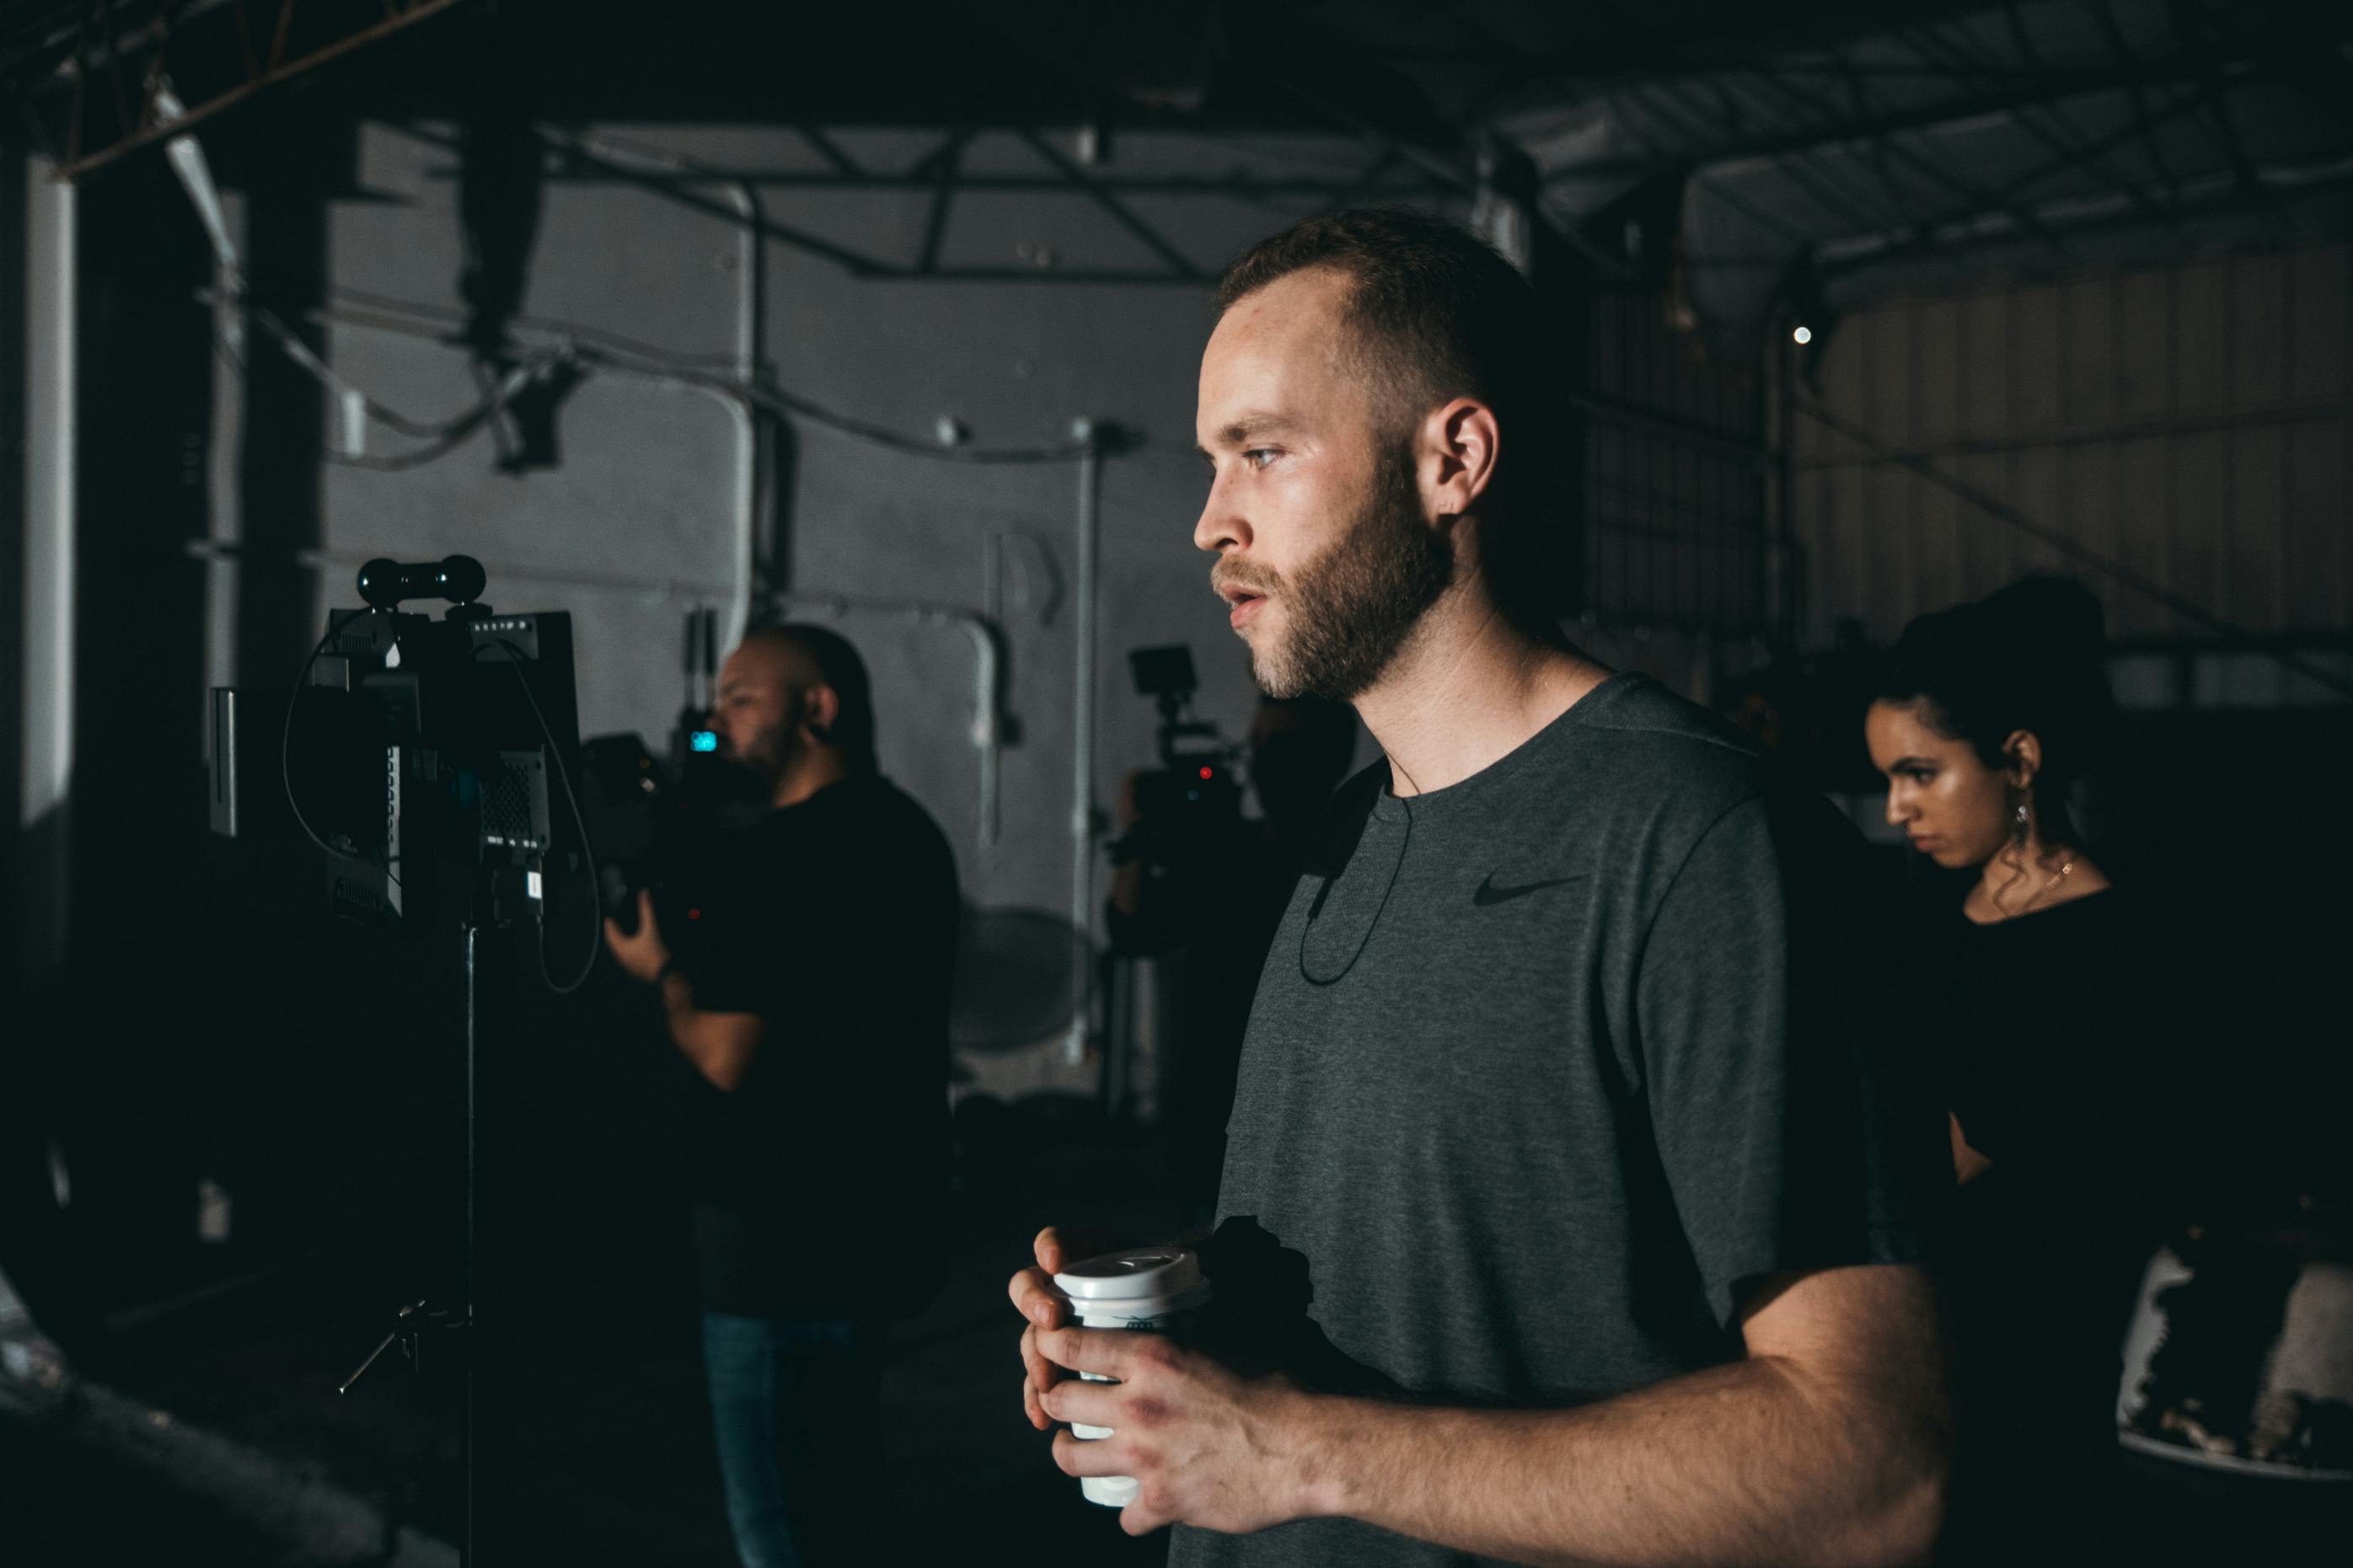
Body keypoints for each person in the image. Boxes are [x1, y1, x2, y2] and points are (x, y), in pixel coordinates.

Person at [1010, 207, 1951, 1567]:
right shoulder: (1349, 836)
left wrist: (1286, 1446)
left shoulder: (1699, 842)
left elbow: (1875, 1471)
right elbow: (1449, 1297)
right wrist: (1176, 1319)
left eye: (1262, 454)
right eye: (1216, 463)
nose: (1211, 519)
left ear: (1452, 457)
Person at [603, 623, 958, 1568]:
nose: (716, 721)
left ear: (818, 709)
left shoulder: (786, 854)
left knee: (779, 1525)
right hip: (875, 1218)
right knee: (843, 1487)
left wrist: (661, 967)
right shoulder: (907, 832)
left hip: (775, 1240)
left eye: (740, 698)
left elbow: (724, 1050)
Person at [1863, 578, 2178, 1561]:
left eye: (1919, 773)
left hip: (2028, 1338)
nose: (1893, 807)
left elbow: (1952, 1154)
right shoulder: (1934, 895)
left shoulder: (2098, 944)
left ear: (2018, 760)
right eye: (1885, 777)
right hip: (1926, 1324)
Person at [1108, 690, 1358, 1225]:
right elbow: (1132, 930)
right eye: (1257, 744)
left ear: (1325, 760)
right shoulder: (1226, 854)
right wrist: (1137, 836)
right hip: (1206, 1113)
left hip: (1307, 1126)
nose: (1263, 762)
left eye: (1283, 746)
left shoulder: (1356, 867)